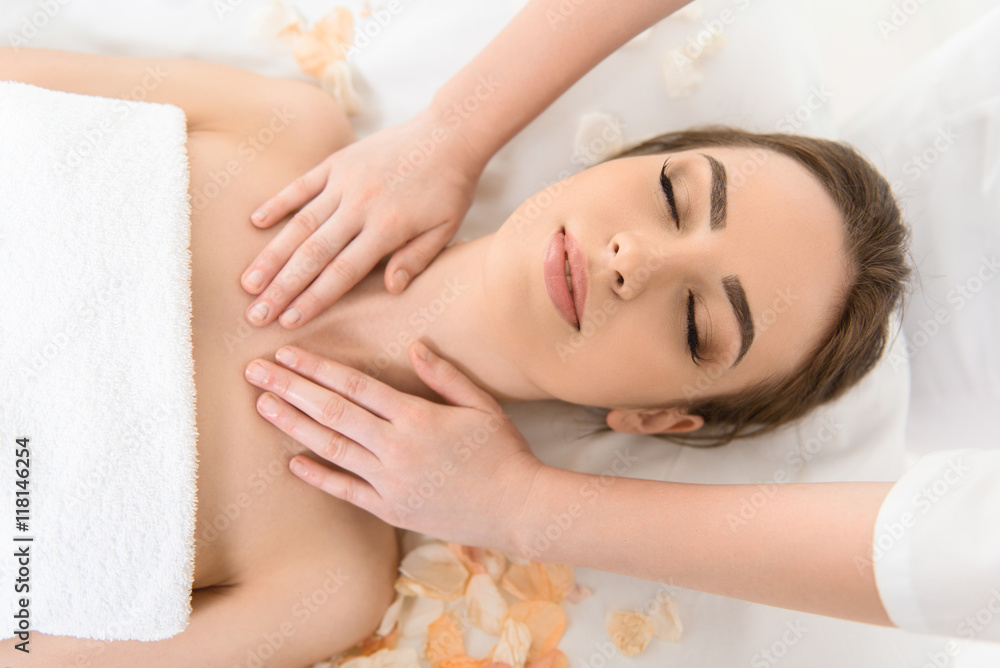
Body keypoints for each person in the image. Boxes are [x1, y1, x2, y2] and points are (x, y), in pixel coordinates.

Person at [238, 0, 999, 647]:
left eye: (698, 323)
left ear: (658, 418)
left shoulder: (324, 583)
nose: (634, 257)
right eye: (672, 195)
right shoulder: (268, 135)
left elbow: (949, 559)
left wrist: (526, 509)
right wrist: (451, 129)